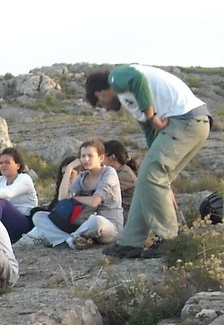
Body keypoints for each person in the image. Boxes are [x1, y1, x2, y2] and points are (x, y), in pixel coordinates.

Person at [86, 64, 212, 258]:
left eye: (101, 104)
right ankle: (130, 242)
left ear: (100, 93)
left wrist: (152, 117)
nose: (107, 109)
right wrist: (164, 185)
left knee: (151, 174)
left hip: (185, 120)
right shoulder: (132, 100)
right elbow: (151, 134)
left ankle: (169, 240)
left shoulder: (117, 77)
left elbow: (138, 80)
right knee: (146, 178)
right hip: (192, 124)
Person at [26, 140, 125, 250]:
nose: (86, 159)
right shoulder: (82, 176)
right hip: (82, 224)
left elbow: (95, 201)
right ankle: (74, 240)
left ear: (100, 158)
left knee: (96, 221)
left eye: (90, 156)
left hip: (108, 226)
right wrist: (69, 169)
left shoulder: (109, 173)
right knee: (39, 216)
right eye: (83, 156)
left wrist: (75, 197)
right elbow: (62, 198)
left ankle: (67, 239)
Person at [0, 148, 39, 216]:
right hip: (7, 217)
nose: (3, 165)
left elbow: (8, 193)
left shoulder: (25, 179)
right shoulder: (0, 180)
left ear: (17, 166)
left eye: (7, 162)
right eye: (1, 163)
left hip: (24, 219)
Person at [102, 140, 138, 213]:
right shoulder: (116, 172)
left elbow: (102, 191)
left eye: (103, 156)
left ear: (112, 157)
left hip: (126, 214)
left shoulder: (125, 174)